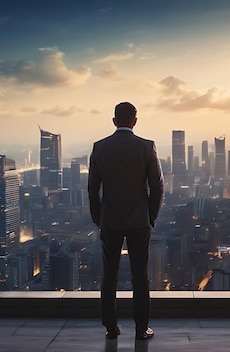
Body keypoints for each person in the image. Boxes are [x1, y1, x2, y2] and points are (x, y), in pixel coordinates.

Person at [88, 102, 164, 340]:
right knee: (139, 275)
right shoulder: (146, 147)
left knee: (109, 274)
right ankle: (142, 329)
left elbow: (92, 189)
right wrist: (150, 215)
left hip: (109, 220)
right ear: (135, 121)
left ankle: (111, 327)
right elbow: (158, 186)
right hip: (139, 221)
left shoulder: (100, 148)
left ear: (114, 121)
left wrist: (98, 217)